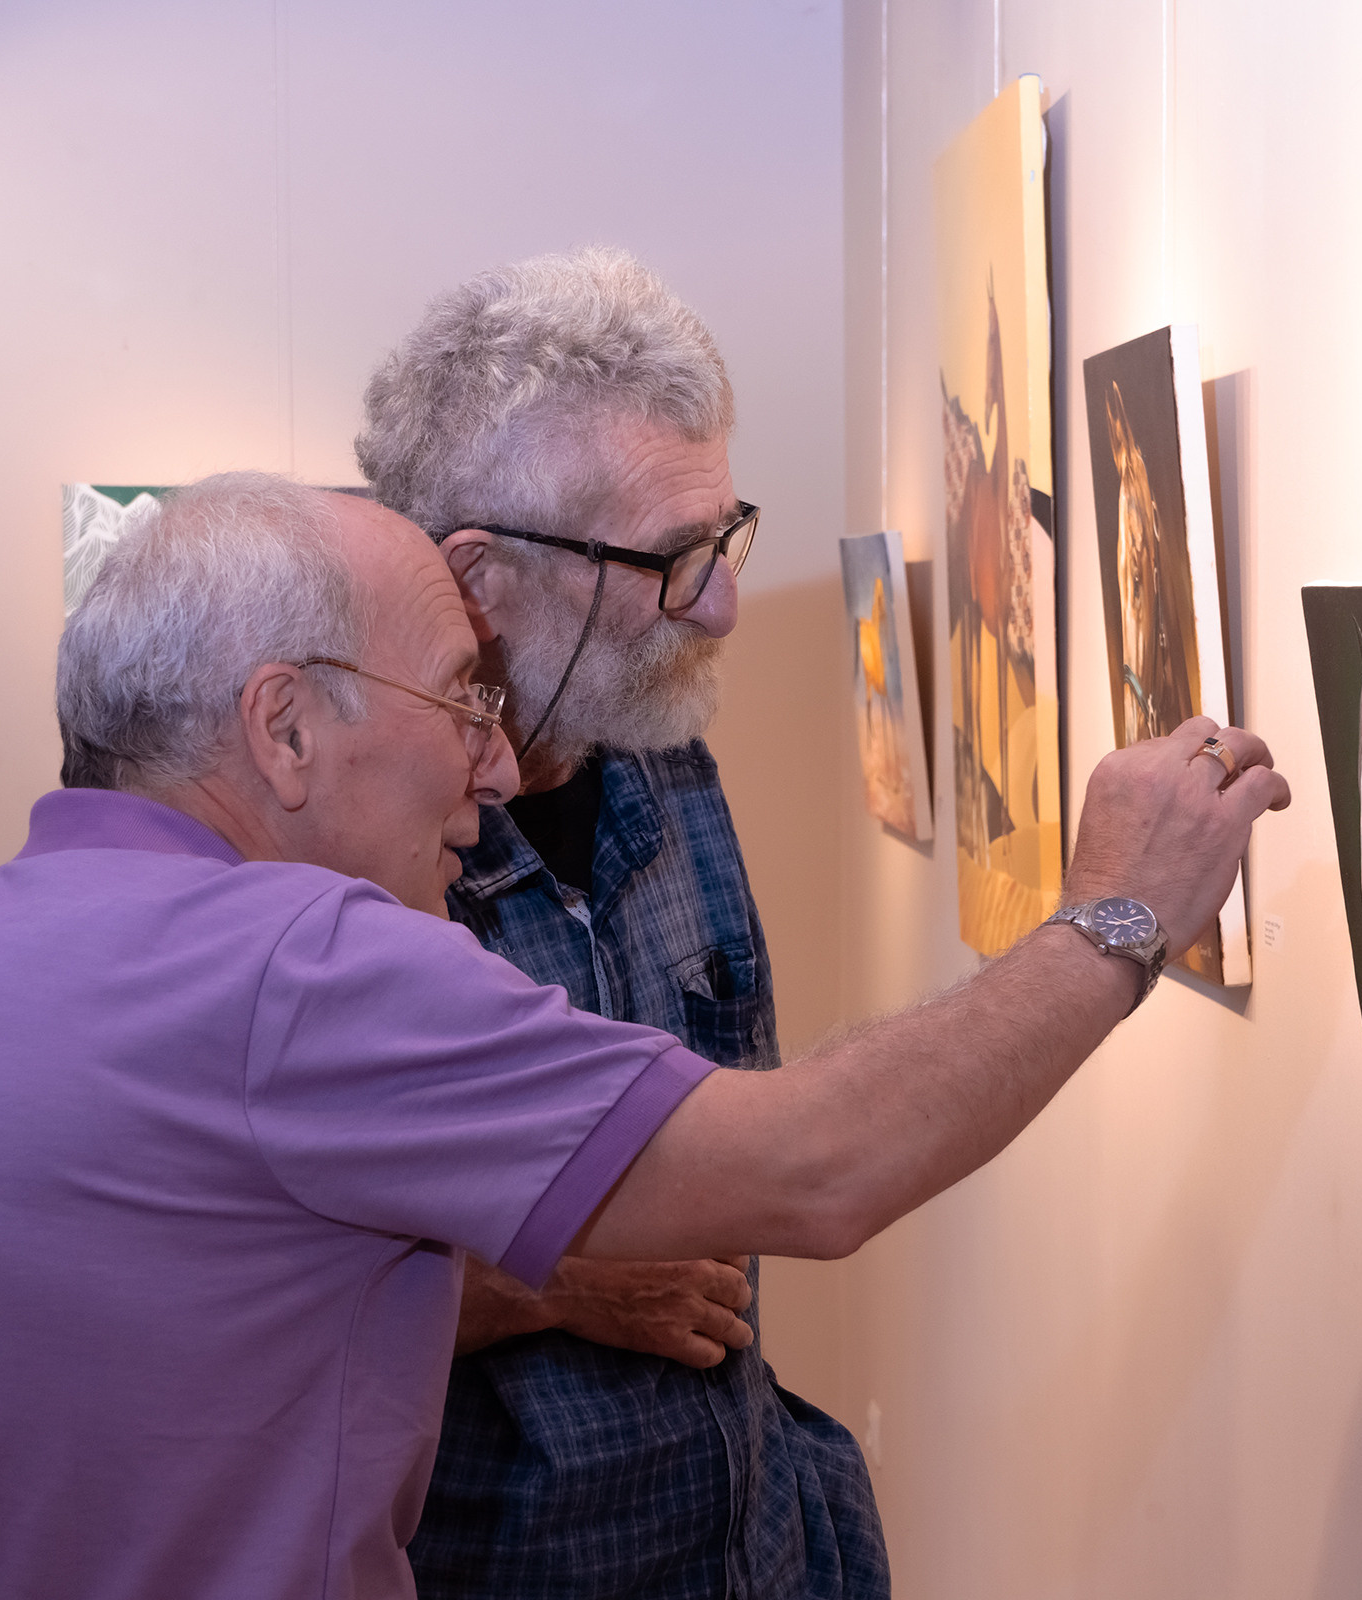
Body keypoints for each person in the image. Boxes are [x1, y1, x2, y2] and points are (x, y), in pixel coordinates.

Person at [0, 473, 1288, 1600]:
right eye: (462, 704)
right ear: (284, 726)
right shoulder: (302, 968)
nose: (496, 774)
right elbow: (818, 1168)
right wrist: (1117, 915)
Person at [356, 247, 878, 1599]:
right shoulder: (318, 844)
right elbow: (235, 1286)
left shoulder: (659, 751)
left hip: (745, 1542)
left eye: (722, 536)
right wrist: (552, 1282)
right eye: (668, 561)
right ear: (479, 579)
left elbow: (749, 1157)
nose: (721, 605)